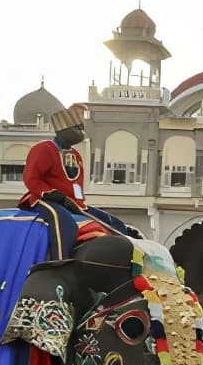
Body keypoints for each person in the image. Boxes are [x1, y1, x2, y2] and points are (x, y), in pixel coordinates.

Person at [18, 105, 131, 260]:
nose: (82, 132)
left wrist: (78, 203)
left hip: (73, 203)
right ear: (63, 130)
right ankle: (60, 261)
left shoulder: (76, 154)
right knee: (65, 223)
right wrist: (52, 194)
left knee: (112, 222)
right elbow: (31, 178)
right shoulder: (44, 148)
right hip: (44, 200)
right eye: (78, 128)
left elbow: (76, 185)